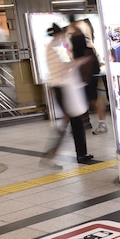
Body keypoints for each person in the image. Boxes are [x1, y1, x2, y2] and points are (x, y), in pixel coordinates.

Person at [41, 24, 94, 168]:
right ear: (60, 34)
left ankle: (56, 155)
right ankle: (59, 156)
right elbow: (64, 67)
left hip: (61, 88)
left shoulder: (52, 46)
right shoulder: (56, 48)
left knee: (69, 123)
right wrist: (81, 61)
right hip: (64, 89)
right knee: (72, 123)